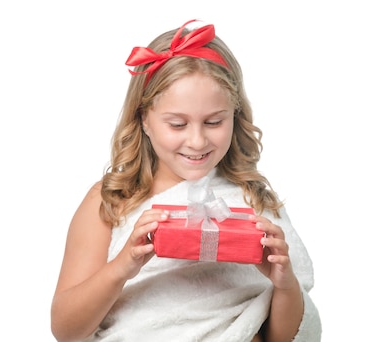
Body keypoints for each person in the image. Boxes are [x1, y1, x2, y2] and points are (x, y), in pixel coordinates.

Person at [50, 19, 322, 342]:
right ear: (143, 119)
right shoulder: (111, 201)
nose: (196, 140)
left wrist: (284, 282)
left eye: (214, 121)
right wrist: (123, 266)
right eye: (177, 124)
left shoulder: (253, 200)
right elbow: (66, 329)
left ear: (235, 116)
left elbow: (284, 338)